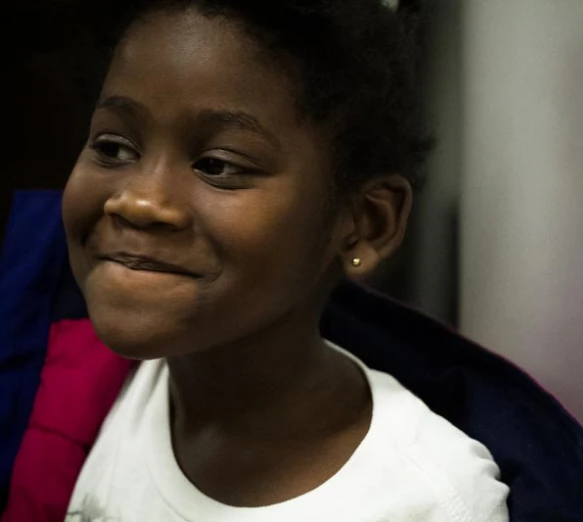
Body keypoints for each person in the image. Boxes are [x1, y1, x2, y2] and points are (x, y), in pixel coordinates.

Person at [59, 0, 510, 520]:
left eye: (217, 165)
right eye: (114, 148)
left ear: (367, 224)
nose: (138, 202)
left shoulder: (431, 502)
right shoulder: (94, 394)